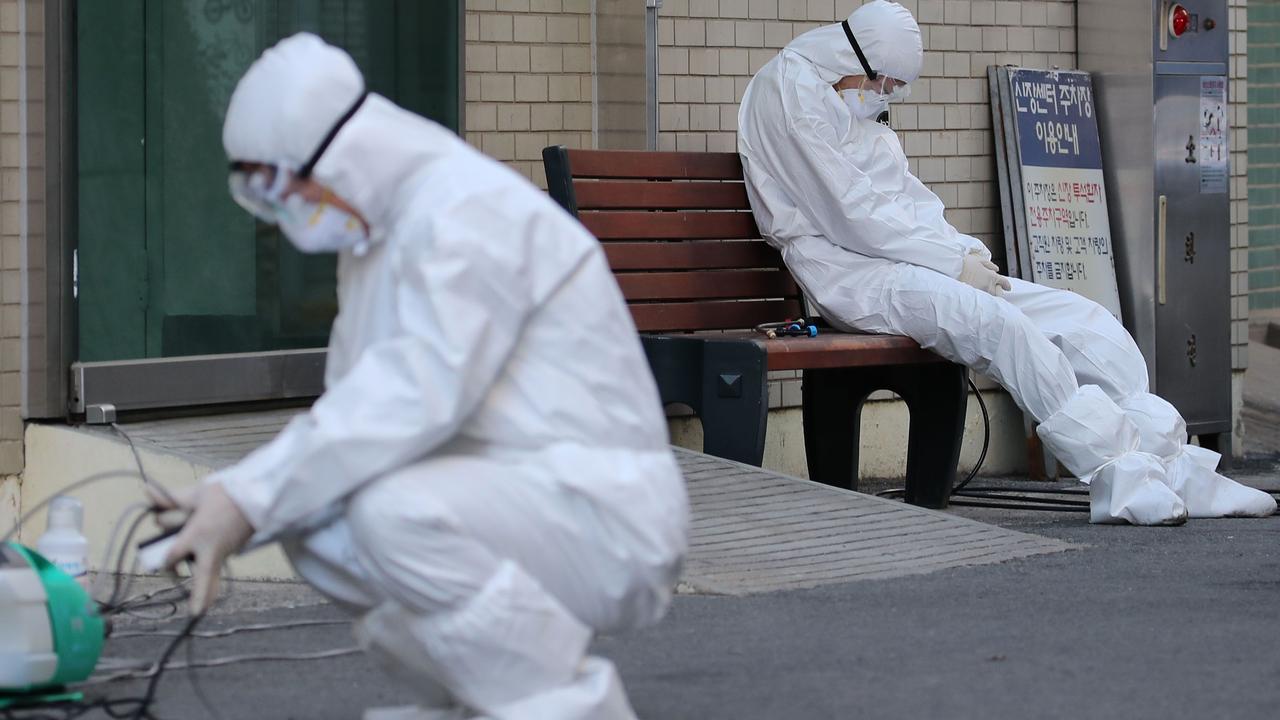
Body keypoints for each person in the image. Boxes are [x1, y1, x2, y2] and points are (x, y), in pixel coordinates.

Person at [151, 33, 689, 720]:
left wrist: (249, 495)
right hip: (516, 492)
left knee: (391, 514)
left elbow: (415, 394)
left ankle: (563, 705)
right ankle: (479, 699)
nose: (283, 215)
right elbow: (352, 417)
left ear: (340, 157)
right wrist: (229, 512)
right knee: (318, 524)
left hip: (606, 513)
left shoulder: (466, 211)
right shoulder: (377, 236)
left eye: (281, 188)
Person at [737, 0, 1275, 525]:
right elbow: (850, 213)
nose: (886, 96)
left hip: (907, 260)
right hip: (847, 275)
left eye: (895, 88)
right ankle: (1120, 473)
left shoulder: (855, 98)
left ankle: (1173, 465)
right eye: (885, 84)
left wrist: (964, 251)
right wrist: (951, 261)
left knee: (1086, 322)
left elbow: (899, 197)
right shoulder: (789, 95)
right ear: (857, 59)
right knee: (1001, 327)